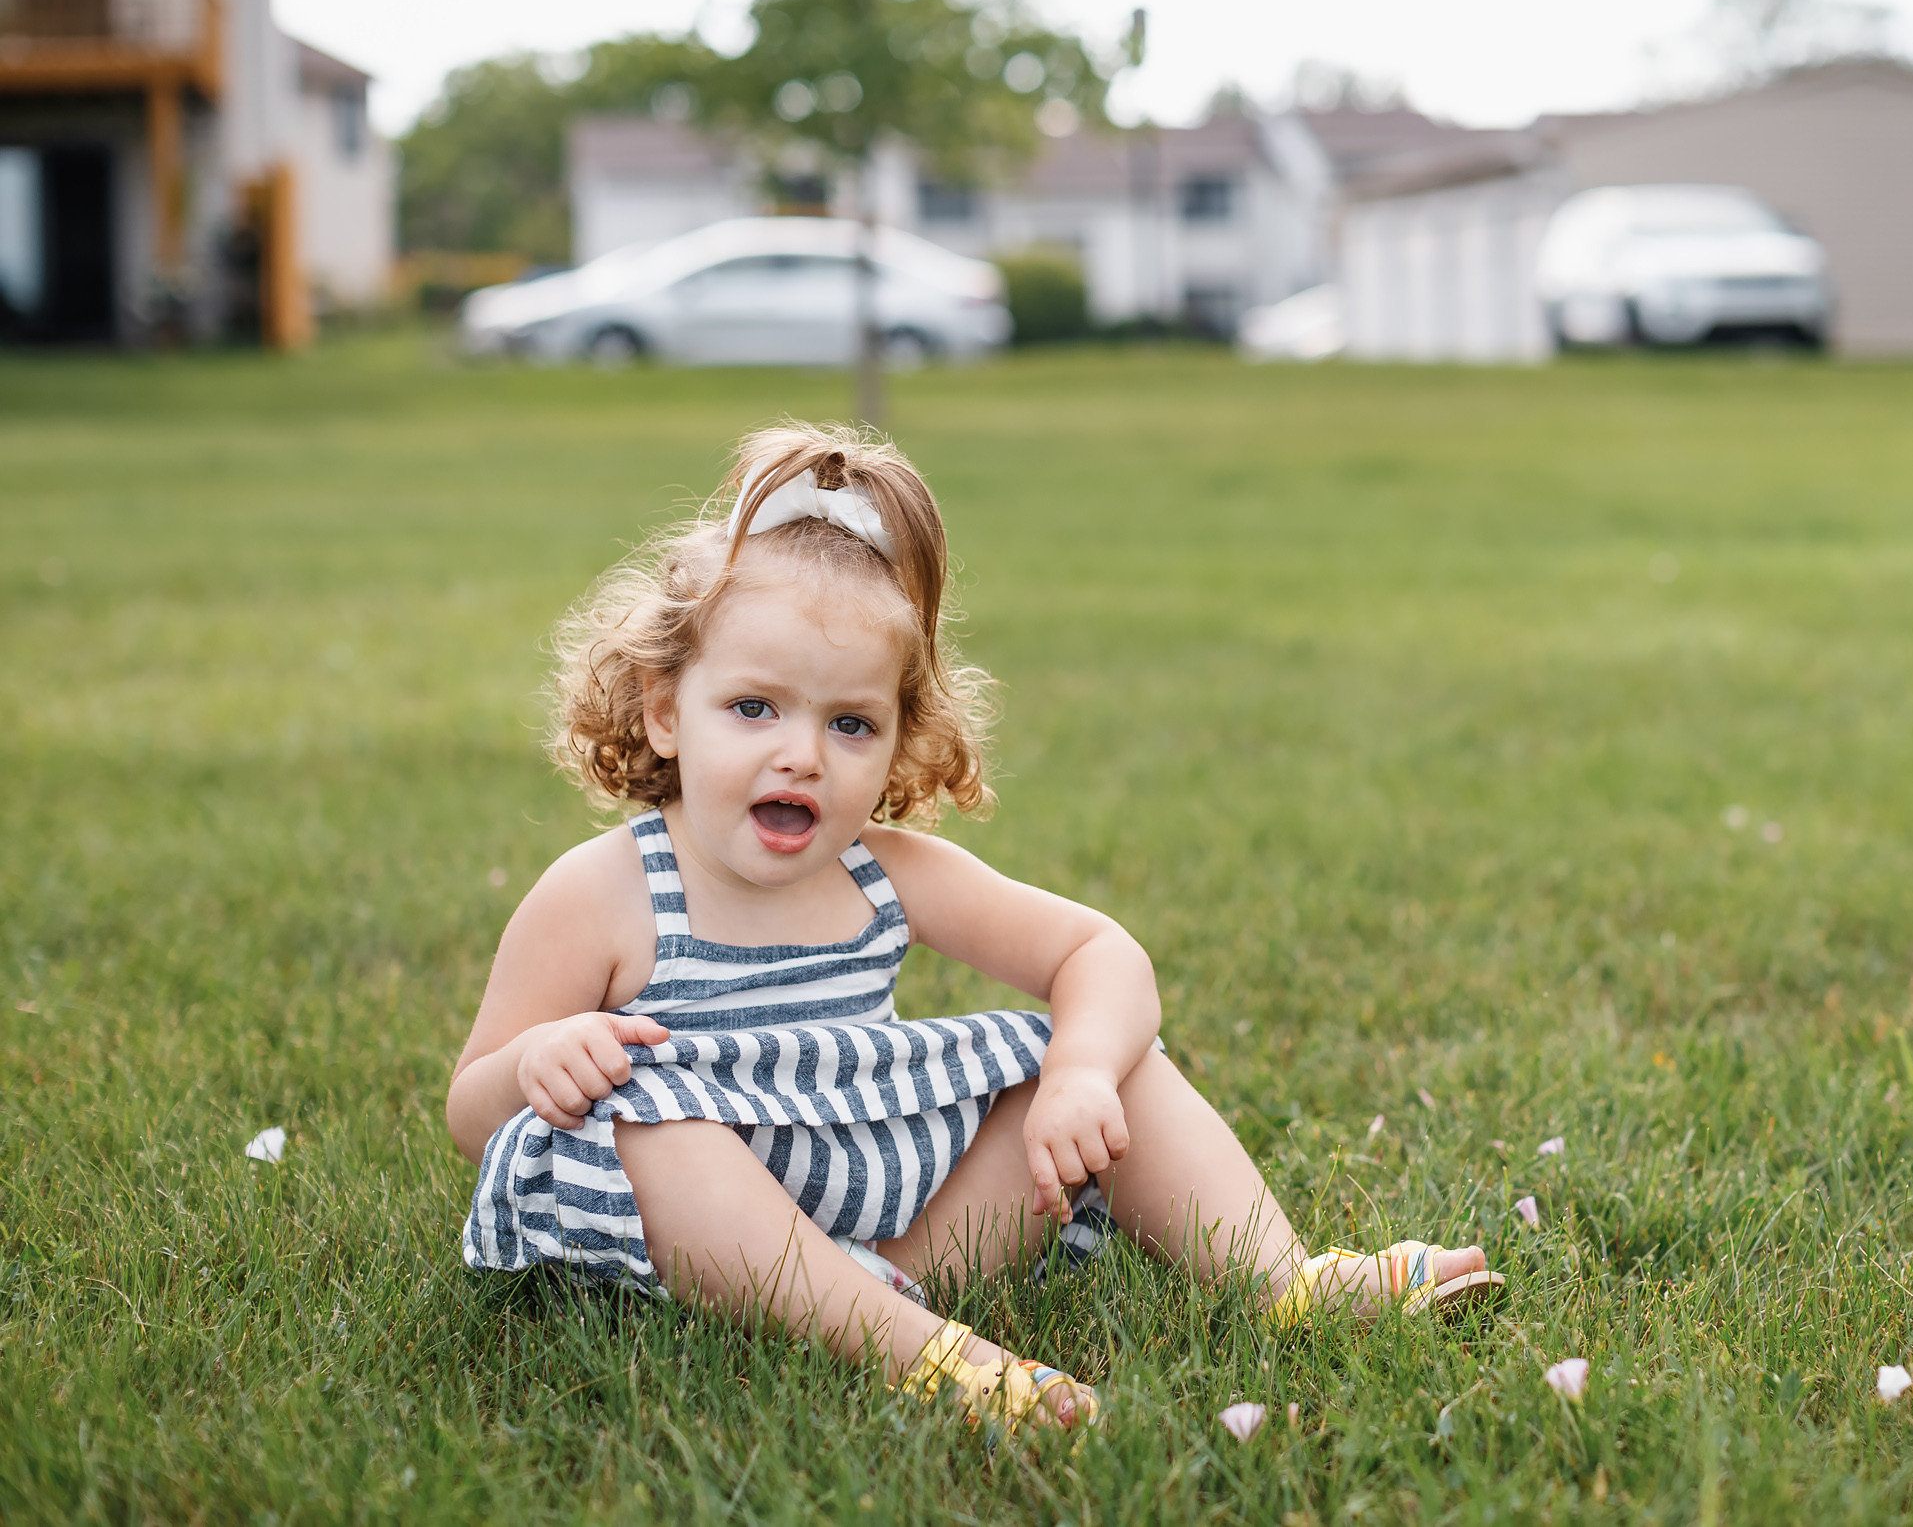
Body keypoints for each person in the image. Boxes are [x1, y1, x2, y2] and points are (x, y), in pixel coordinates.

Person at [444, 421, 1500, 1430]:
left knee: (1095, 1050)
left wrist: (1081, 1074)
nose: (801, 754)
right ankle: (931, 1358)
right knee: (648, 1122)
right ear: (665, 707)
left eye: (849, 723)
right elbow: (473, 1108)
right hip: (706, 1255)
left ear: (904, 738)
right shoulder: (607, 891)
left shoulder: (885, 873)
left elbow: (1098, 953)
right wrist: (541, 1057)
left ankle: (1282, 1279)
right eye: (753, 708)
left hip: (912, 1241)